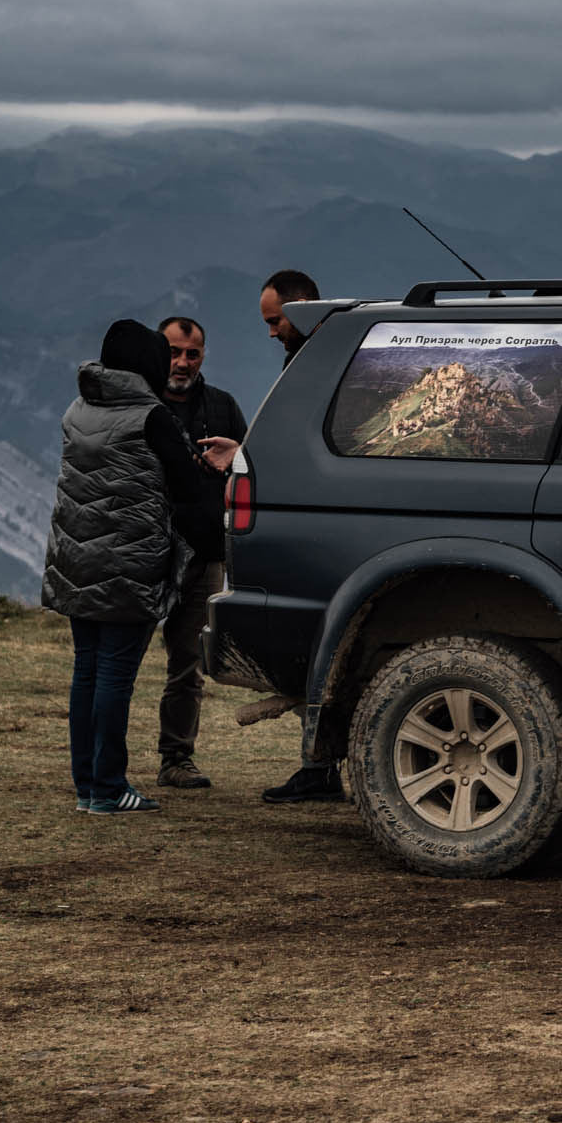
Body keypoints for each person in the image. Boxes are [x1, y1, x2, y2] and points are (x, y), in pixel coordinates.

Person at [42, 320, 204, 815]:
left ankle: (88, 786)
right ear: (148, 366)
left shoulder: (78, 408)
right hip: (128, 565)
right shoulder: (150, 417)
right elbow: (188, 489)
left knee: (86, 671)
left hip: (76, 560)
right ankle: (110, 788)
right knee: (114, 675)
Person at [244, 270, 347, 804]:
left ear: (302, 307)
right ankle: (321, 766)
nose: (271, 333)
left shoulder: (323, 358)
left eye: (274, 321)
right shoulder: (325, 350)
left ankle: (321, 767)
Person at [149, 316, 249, 789]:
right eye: (173, 351)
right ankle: (99, 764)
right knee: (117, 659)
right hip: (145, 553)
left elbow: (251, 468)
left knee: (188, 660)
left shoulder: (223, 407)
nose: (183, 362)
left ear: (203, 355)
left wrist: (236, 458)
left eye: (192, 353)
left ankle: (176, 758)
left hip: (206, 553)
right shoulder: (140, 407)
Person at [261, 269, 320, 364]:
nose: (272, 333)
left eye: (275, 321)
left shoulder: (347, 351)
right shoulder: (295, 361)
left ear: (301, 310)